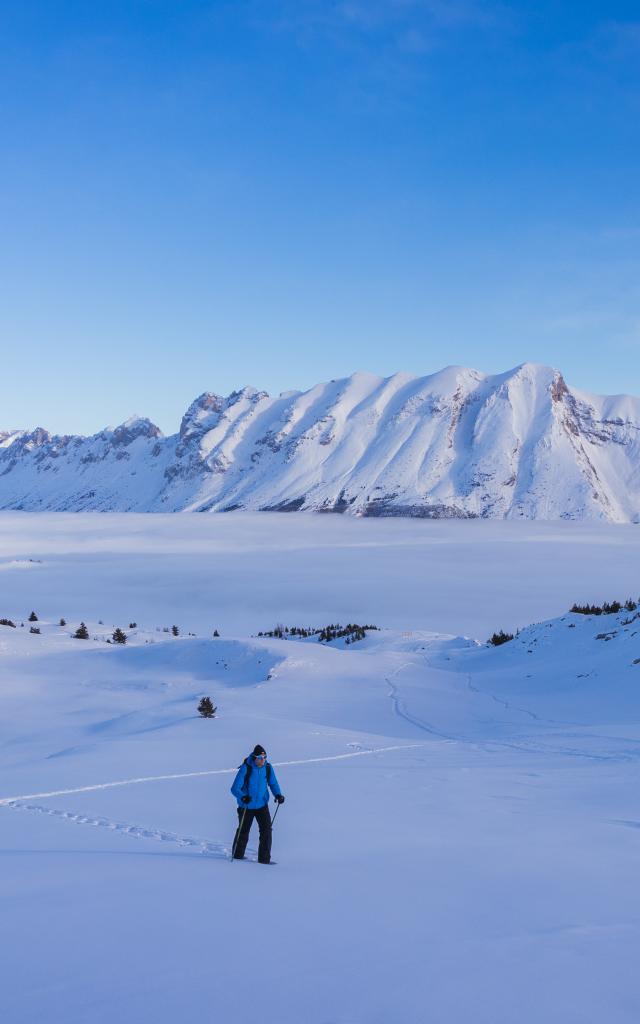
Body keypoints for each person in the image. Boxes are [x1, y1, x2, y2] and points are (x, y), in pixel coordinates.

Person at [231, 744, 285, 864]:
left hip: (262, 805)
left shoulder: (268, 768)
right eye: (260, 758)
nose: (263, 760)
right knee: (243, 831)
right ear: (254, 758)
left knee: (266, 831)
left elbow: (273, 783)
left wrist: (278, 795)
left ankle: (264, 860)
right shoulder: (246, 768)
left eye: (264, 757)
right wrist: (243, 797)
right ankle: (237, 856)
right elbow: (235, 788)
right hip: (246, 806)